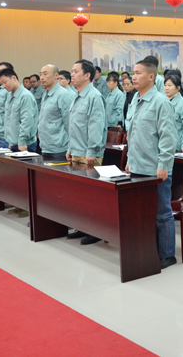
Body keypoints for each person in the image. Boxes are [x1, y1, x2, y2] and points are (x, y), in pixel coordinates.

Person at [125, 58, 178, 269]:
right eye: (133, 73)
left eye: (138, 73)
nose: (133, 77)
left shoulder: (160, 102)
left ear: (151, 76)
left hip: (156, 168)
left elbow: (168, 137)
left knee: (162, 213)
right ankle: (149, 249)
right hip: (137, 166)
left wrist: (163, 164)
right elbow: (133, 134)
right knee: (143, 213)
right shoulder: (136, 99)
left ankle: (167, 254)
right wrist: (129, 160)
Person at [66, 59, 107, 245]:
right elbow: (74, 126)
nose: (72, 75)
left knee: (91, 194)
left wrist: (92, 150)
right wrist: (70, 148)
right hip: (76, 151)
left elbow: (96, 126)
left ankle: (95, 230)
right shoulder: (77, 95)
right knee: (79, 193)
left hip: (89, 154)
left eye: (75, 71)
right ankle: (82, 227)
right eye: (72, 71)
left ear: (87, 75)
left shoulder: (94, 96)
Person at [0, 68, 38, 154]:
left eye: (5, 82)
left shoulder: (25, 96)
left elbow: (27, 121)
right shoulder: (9, 95)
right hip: (14, 143)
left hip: (24, 144)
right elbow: (9, 120)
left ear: (14, 78)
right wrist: (10, 141)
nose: (3, 86)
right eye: (1, 84)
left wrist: (22, 141)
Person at [37, 65, 73, 161]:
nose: (42, 78)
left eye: (45, 74)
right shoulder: (45, 94)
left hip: (60, 149)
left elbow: (70, 124)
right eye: (40, 74)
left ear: (56, 76)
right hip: (45, 147)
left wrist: (71, 148)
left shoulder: (63, 95)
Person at [164, 74, 183, 153]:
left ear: (178, 88)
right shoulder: (163, 103)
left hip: (179, 148)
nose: (166, 88)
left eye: (169, 85)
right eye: (165, 85)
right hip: (165, 146)